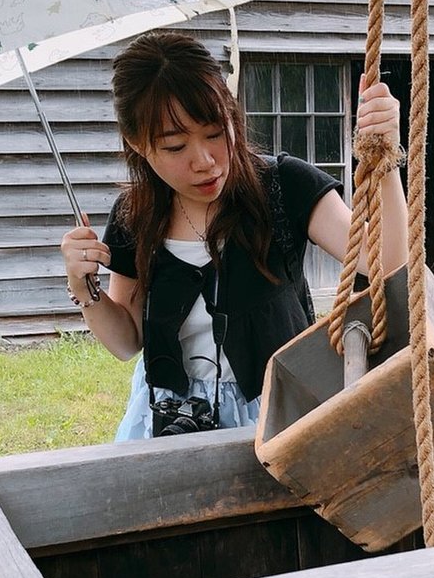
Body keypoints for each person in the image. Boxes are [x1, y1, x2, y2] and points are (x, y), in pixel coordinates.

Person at [60, 31, 407, 440]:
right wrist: (82, 287)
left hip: (279, 412)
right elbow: (126, 343)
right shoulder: (134, 216)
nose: (205, 161)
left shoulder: (283, 186)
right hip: (167, 419)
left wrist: (384, 158)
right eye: (175, 147)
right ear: (138, 144)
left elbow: (389, 262)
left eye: (215, 132)